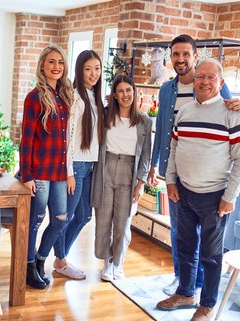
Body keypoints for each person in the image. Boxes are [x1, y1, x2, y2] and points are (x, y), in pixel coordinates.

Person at [155, 58, 240, 321]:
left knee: (210, 254)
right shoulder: (184, 112)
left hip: (214, 197)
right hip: (183, 193)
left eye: (211, 77)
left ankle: (207, 304)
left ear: (221, 82)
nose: (205, 82)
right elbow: (174, 150)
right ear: (194, 80)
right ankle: (185, 293)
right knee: (185, 248)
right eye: (201, 77)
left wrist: (229, 197)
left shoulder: (232, 114)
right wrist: (170, 181)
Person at [19, 44, 74, 289]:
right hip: (39, 172)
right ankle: (28, 266)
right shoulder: (34, 97)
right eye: (51, 62)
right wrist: (26, 174)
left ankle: (41, 259)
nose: (56, 67)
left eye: (60, 62)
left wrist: (69, 172)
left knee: (61, 218)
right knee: (35, 220)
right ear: (42, 65)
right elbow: (26, 139)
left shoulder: (63, 98)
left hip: (59, 172)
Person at [92, 75, 152, 281]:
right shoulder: (106, 115)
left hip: (130, 172)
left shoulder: (144, 121)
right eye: (120, 91)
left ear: (134, 93)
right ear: (114, 95)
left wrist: (141, 183)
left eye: (129, 90)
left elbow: (146, 155)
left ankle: (117, 263)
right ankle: (106, 261)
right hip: (106, 169)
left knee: (122, 223)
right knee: (103, 221)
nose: (125, 95)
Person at [51, 50, 104, 280]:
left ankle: (60, 257)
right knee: (68, 216)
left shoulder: (94, 97)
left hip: (91, 165)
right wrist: (69, 172)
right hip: (76, 167)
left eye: (97, 68)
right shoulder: (74, 98)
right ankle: (61, 260)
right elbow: (68, 138)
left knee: (84, 216)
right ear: (79, 71)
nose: (93, 73)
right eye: (88, 69)